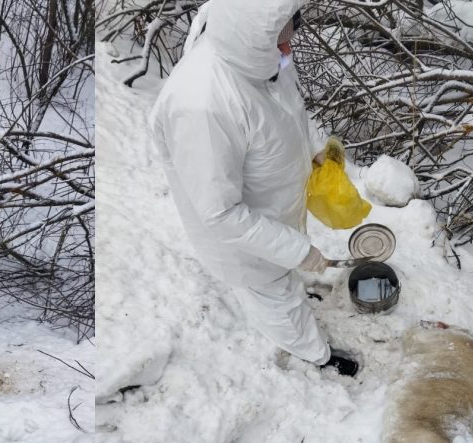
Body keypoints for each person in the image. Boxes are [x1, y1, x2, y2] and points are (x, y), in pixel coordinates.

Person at [148, 0, 360, 376]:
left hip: (274, 211)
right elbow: (220, 214)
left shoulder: (262, 54)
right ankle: (314, 354)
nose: (288, 51)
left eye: (288, 38)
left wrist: (314, 152)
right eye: (279, 42)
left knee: (283, 274)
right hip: (245, 244)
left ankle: (288, 278)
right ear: (251, 35)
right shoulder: (201, 105)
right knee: (276, 298)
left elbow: (289, 109)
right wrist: (299, 251)